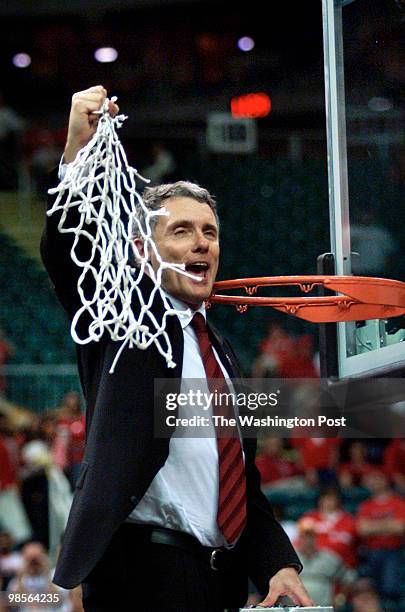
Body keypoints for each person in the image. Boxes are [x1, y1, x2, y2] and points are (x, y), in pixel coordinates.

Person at [41, 86, 312, 611]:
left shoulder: (224, 355)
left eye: (209, 232)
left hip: (220, 578)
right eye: (182, 231)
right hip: (140, 575)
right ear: (143, 250)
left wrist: (277, 565)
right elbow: (68, 253)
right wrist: (77, 149)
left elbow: (238, 482)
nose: (202, 242)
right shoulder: (122, 321)